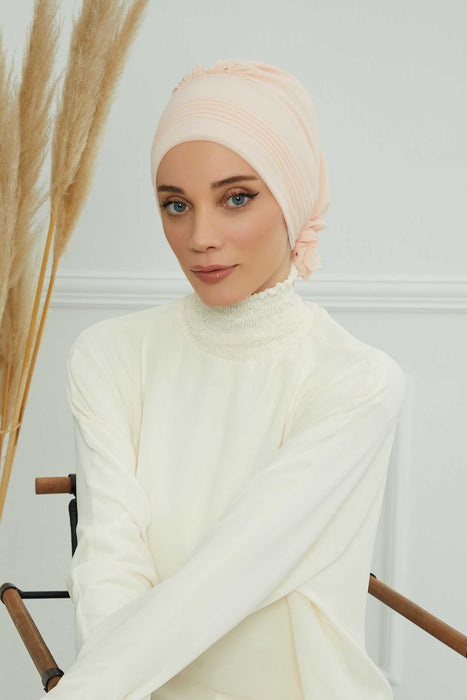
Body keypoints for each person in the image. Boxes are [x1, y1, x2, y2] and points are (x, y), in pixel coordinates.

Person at [40, 59, 405, 700]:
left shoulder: (357, 381)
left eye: (237, 198)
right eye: (176, 205)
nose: (200, 237)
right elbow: (108, 564)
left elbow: (232, 572)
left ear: (292, 197)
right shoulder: (109, 356)